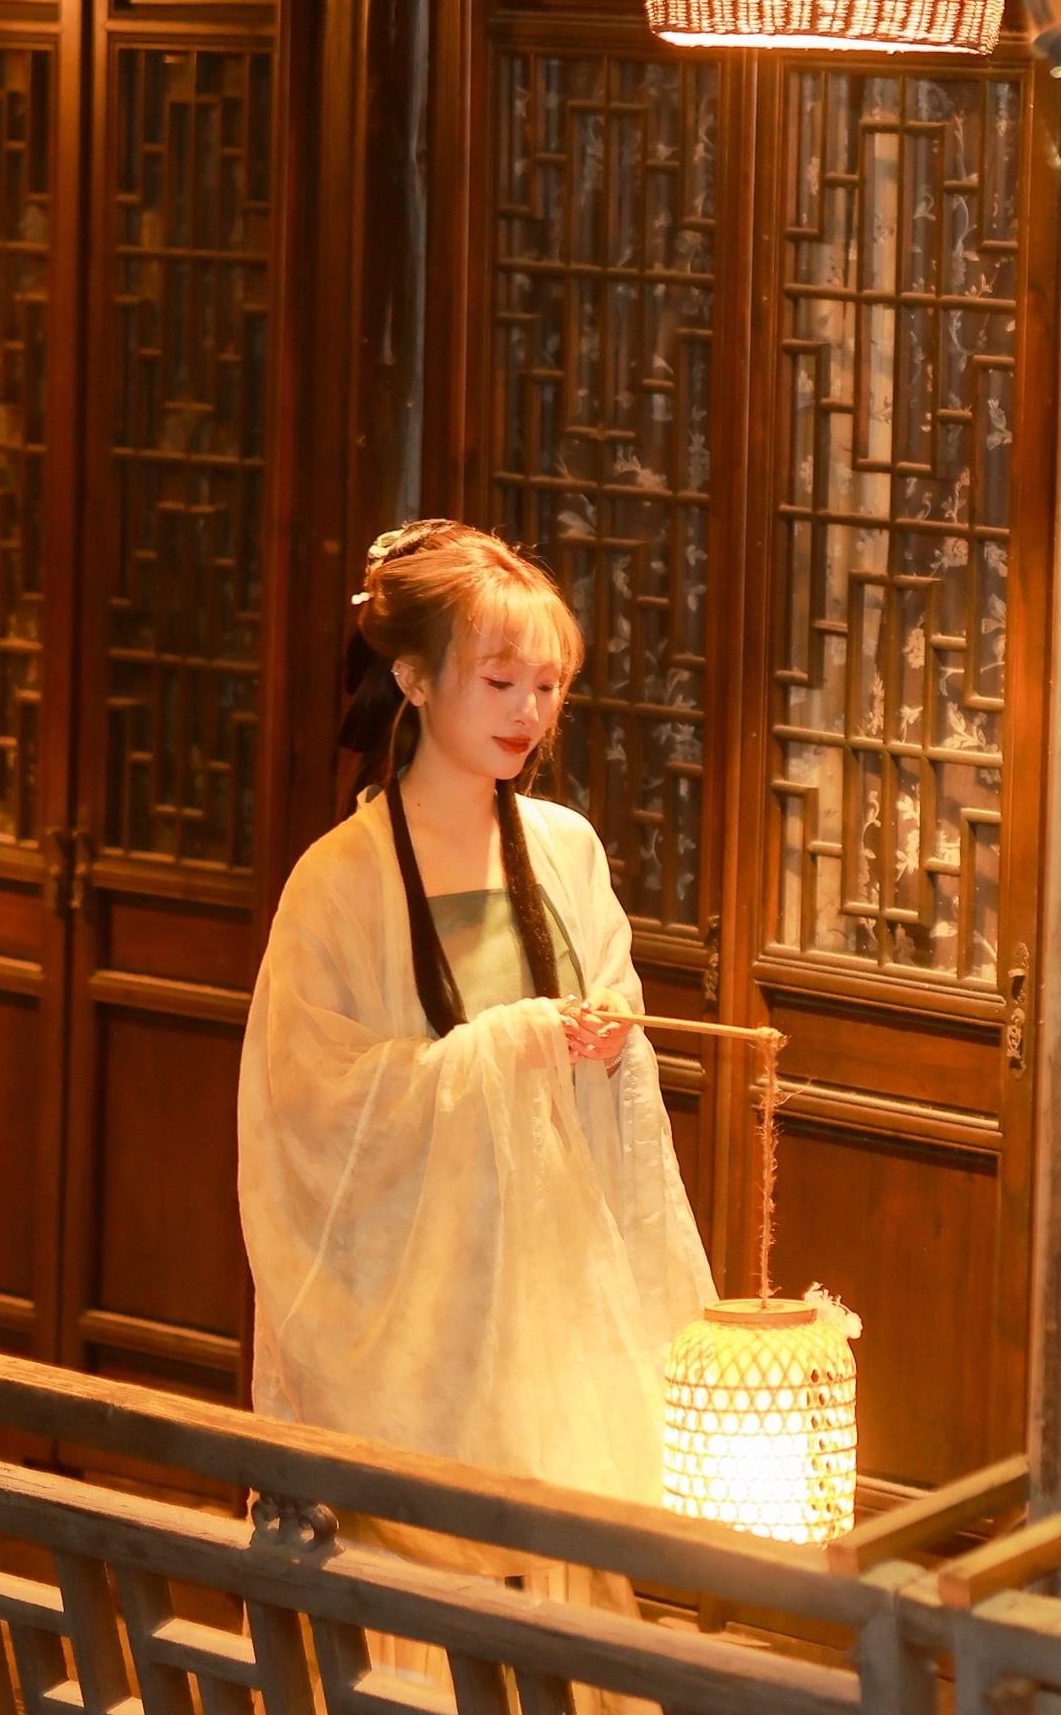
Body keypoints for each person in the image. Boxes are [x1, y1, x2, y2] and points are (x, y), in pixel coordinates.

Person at [235, 518, 712, 1610]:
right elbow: (304, 1101)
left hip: (548, 1276)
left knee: (559, 1549)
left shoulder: (566, 848)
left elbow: (616, 1002)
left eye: (547, 687)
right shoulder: (337, 880)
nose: (528, 714)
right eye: (500, 683)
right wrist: (502, 1048)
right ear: (412, 679)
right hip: (424, 1296)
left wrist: (605, 1034)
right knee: (426, 1579)